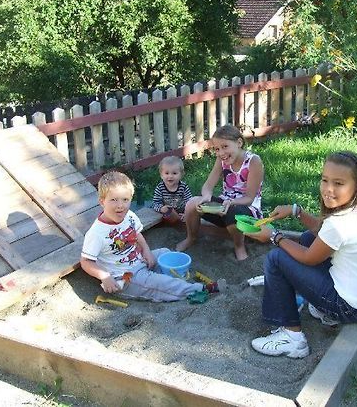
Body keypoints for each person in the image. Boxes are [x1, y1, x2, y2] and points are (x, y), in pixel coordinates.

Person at [246, 151, 357, 358]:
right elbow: (323, 233)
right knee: (308, 238)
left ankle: (292, 338)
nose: (328, 189)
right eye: (325, 180)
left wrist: (274, 236)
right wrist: (297, 211)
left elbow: (309, 258)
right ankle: (324, 311)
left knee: (276, 259)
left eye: (339, 183)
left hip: (351, 309)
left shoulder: (340, 223)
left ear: (356, 185)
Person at [80, 171, 218, 302]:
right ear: (102, 201)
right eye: (114, 200)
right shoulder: (97, 232)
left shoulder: (129, 216)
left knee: (165, 253)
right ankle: (199, 289)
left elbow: (137, 234)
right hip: (125, 278)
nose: (120, 206)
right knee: (158, 283)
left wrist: (146, 251)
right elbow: (86, 261)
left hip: (139, 261)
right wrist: (104, 276)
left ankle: (177, 282)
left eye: (125, 200)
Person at [176, 124, 264, 261]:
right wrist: (206, 197)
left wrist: (231, 202)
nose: (221, 153)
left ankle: (239, 246)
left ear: (239, 143)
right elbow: (208, 185)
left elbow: (250, 198)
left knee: (233, 212)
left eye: (225, 146)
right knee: (192, 203)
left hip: (246, 211)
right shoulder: (222, 160)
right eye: (217, 149)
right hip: (223, 206)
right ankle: (191, 238)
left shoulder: (253, 161)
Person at [151, 156, 192, 224]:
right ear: (161, 175)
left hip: (181, 213)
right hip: (167, 214)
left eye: (174, 173)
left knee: (190, 219)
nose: (170, 176)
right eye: (167, 173)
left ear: (181, 175)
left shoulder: (183, 187)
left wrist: (187, 213)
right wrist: (161, 208)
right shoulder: (160, 188)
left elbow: (190, 202)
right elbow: (155, 203)